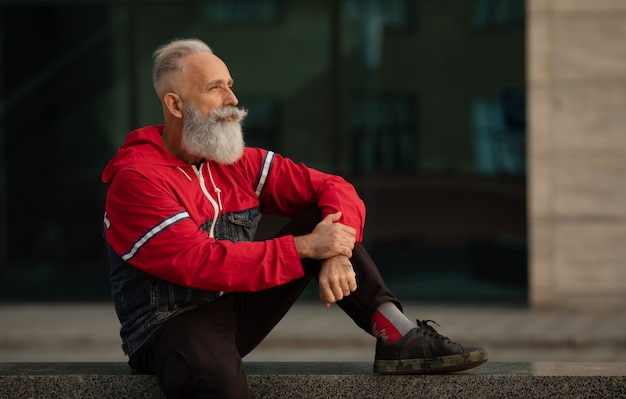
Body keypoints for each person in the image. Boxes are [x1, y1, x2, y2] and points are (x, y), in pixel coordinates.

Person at [102, 38, 487, 398]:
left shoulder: (236, 162)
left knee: (322, 215)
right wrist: (306, 247)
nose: (233, 99)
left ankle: (399, 335)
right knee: (220, 382)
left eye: (230, 85)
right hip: (168, 325)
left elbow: (335, 187)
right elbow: (199, 262)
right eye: (214, 88)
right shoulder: (137, 179)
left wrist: (334, 251)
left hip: (235, 307)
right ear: (174, 105)